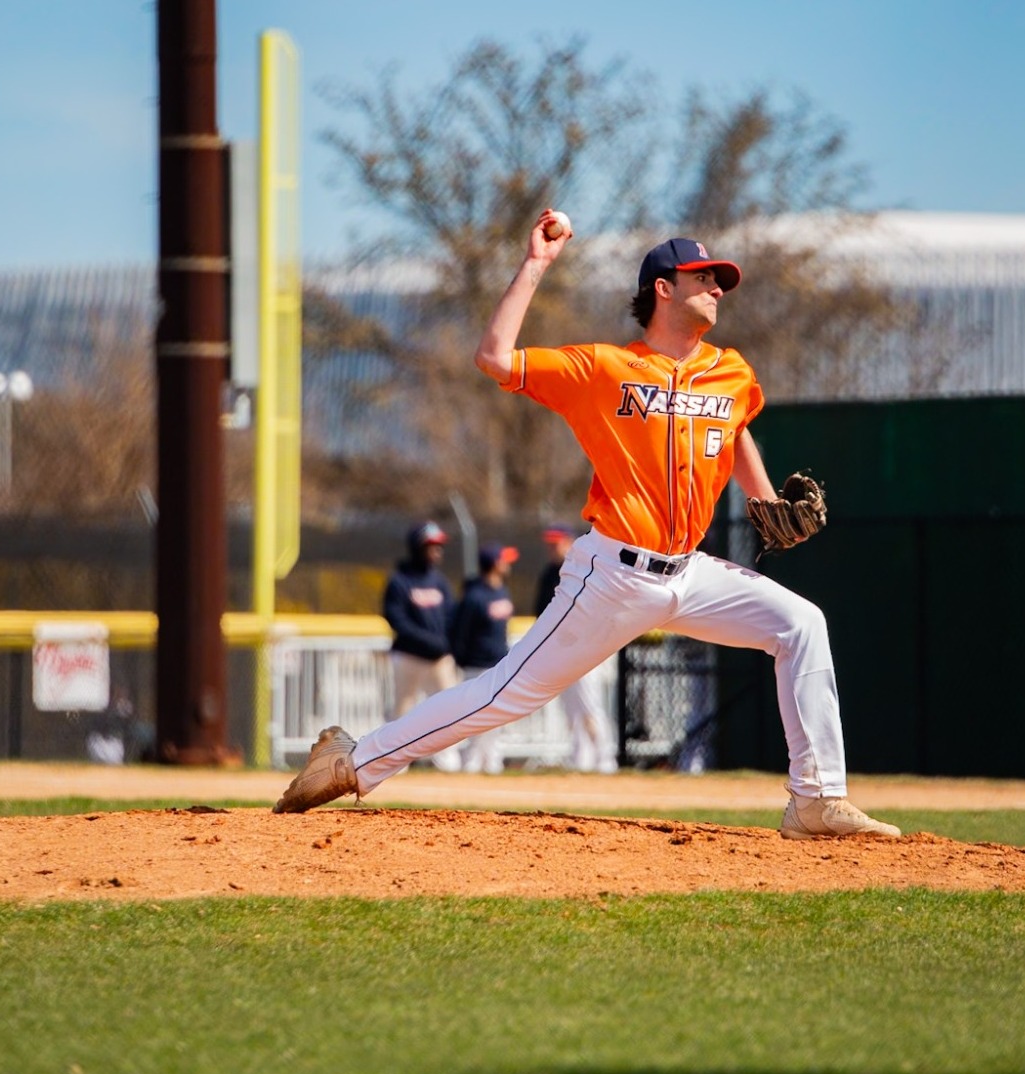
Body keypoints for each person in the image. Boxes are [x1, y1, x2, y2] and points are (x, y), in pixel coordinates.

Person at [277, 212, 899, 840]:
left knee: (801, 624)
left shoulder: (731, 371)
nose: (717, 288)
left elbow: (733, 428)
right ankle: (353, 760)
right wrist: (535, 265)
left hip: (691, 572)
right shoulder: (603, 368)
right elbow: (494, 357)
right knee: (504, 695)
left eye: (719, 280)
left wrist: (764, 500)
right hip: (613, 576)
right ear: (664, 288)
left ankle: (816, 798)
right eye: (703, 277)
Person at [537, 523, 619, 774]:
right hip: (560, 650)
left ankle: (605, 757)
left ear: (569, 542)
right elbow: (541, 613)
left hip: (585, 649)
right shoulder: (548, 574)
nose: (552, 548)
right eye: (550, 544)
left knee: (590, 706)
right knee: (572, 709)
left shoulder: (583, 568)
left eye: (557, 543)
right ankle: (581, 758)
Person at [382, 521, 460, 766]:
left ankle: (446, 761)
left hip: (439, 659)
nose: (437, 551)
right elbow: (397, 620)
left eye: (439, 546)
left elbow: (451, 616)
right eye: (431, 546)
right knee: (403, 710)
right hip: (409, 656)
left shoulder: (439, 581)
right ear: (417, 547)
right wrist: (429, 642)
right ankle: (397, 762)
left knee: (449, 710)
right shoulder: (400, 581)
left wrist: (446, 644)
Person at [443, 542, 520, 775]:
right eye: (504, 560)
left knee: (496, 718)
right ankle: (471, 763)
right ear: (494, 564)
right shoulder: (474, 596)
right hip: (476, 666)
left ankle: (491, 762)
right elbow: (459, 632)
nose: (508, 564)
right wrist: (462, 660)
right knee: (476, 716)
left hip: (499, 664)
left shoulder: (502, 591)